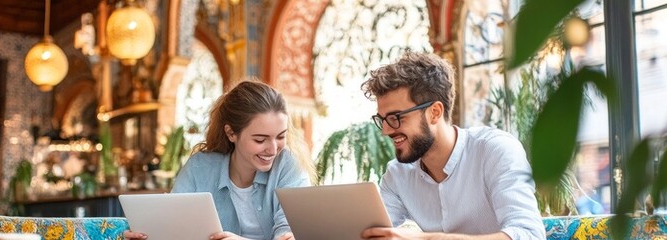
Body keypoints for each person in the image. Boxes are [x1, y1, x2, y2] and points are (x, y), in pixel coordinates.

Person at [359, 53, 546, 239]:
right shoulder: (397, 175)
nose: (385, 130)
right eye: (382, 119)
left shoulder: (495, 150)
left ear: (434, 112)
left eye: (396, 118)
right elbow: (366, 234)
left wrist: (424, 239)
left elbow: (530, 235)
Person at [124, 80, 315, 240]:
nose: (273, 149)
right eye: (260, 139)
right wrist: (148, 235)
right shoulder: (200, 167)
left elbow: (289, 233)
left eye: (281, 136)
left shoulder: (289, 165)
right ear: (231, 133)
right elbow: (173, 226)